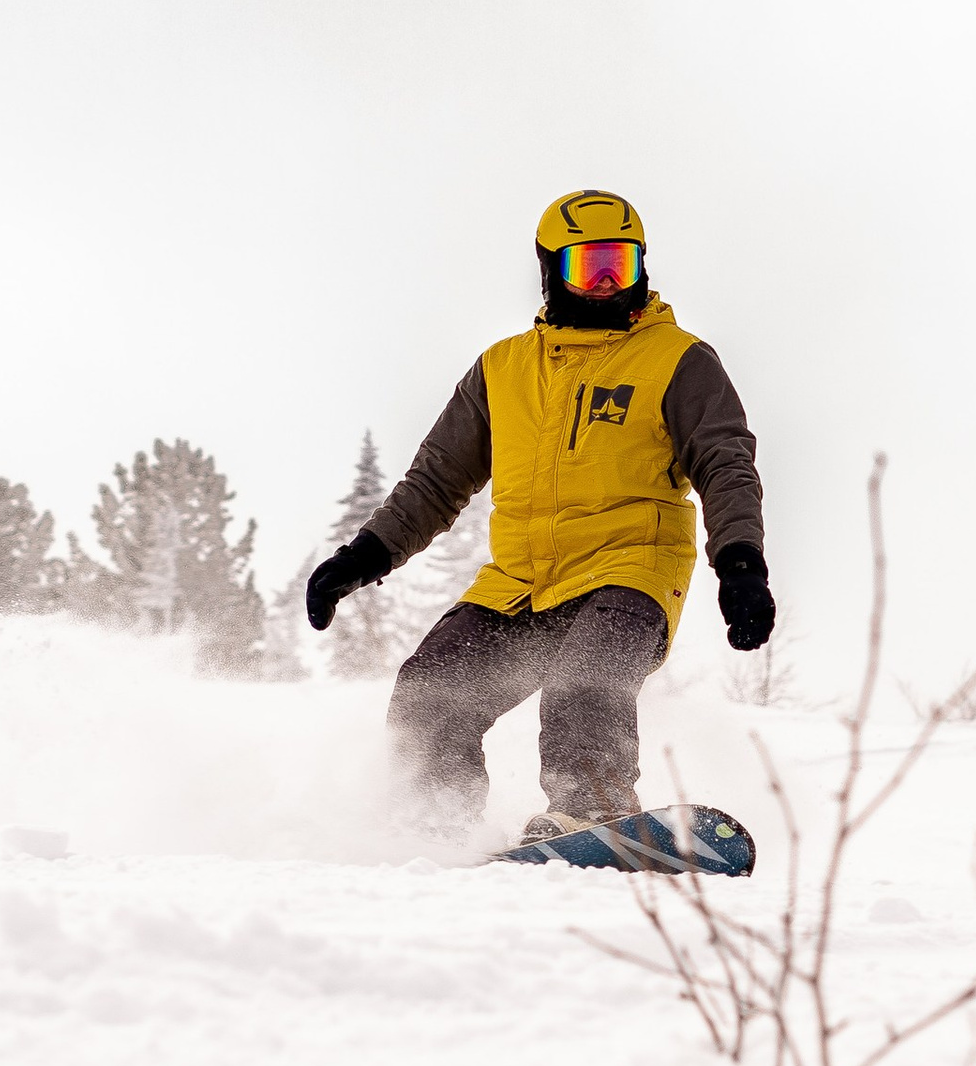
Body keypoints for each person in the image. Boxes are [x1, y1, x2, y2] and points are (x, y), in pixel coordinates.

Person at [304, 189, 774, 833]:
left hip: (628, 573)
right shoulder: (503, 369)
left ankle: (592, 811)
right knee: (430, 691)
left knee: (585, 683)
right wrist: (363, 557)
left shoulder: (678, 362)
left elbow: (725, 464)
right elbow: (437, 480)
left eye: (622, 265)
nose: (607, 284)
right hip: (520, 586)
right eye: (590, 267)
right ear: (552, 269)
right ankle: (435, 827)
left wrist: (741, 563)